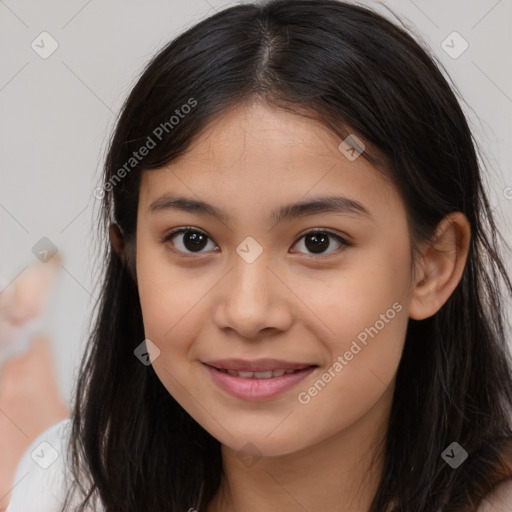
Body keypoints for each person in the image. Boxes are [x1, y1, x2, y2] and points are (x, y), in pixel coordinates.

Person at [6, 0, 512, 510]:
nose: (248, 313)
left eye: (318, 242)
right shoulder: (65, 488)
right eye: (193, 240)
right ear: (131, 259)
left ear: (432, 266)